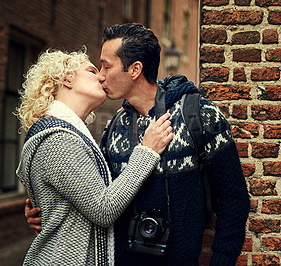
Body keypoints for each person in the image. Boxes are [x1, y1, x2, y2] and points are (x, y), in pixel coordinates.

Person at [26, 23, 250, 265]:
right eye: (97, 68)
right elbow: (98, 199)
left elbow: (233, 199)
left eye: (106, 66)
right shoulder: (114, 127)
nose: (101, 75)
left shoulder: (199, 115)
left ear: (134, 70)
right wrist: (45, 209)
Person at [16, 47, 173, 265]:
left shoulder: (69, 134)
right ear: (67, 79)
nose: (101, 76)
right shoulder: (57, 140)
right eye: (92, 70)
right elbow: (104, 209)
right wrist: (147, 151)